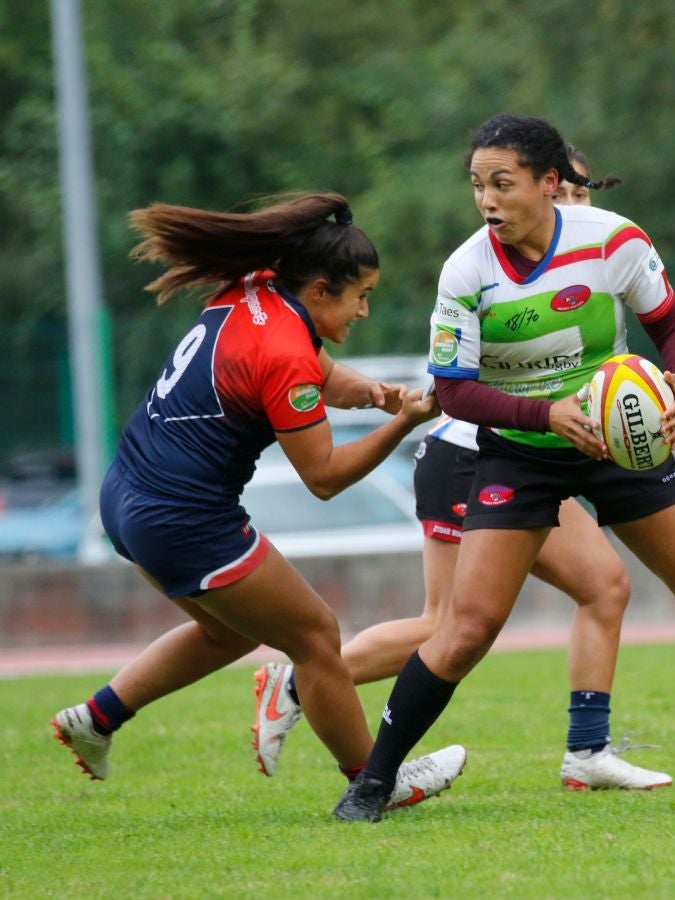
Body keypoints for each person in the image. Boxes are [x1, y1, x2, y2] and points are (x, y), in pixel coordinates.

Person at [332, 113, 675, 822]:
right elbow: (457, 391)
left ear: (550, 183)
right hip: (521, 452)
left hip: (619, 446)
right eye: (477, 186)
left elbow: (673, 331)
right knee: (465, 630)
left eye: (503, 183)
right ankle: (373, 783)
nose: (487, 200)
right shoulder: (467, 271)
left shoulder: (612, 239)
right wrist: (546, 416)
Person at [253, 147, 673, 791]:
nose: (581, 211)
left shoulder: (592, 252)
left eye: (585, 197)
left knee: (604, 586)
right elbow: (465, 383)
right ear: (545, 192)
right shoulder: (492, 262)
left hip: (520, 456)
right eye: (571, 198)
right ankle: (305, 678)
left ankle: (587, 751)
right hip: (469, 454)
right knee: (449, 628)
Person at [50, 193, 466, 814]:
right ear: (321, 290)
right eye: (360, 296)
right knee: (318, 637)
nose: (366, 310)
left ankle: (98, 717)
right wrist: (401, 424)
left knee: (227, 633)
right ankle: (376, 779)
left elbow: (317, 368)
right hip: (183, 516)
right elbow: (323, 477)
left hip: (125, 499)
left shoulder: (260, 290)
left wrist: (374, 395)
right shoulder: (284, 354)